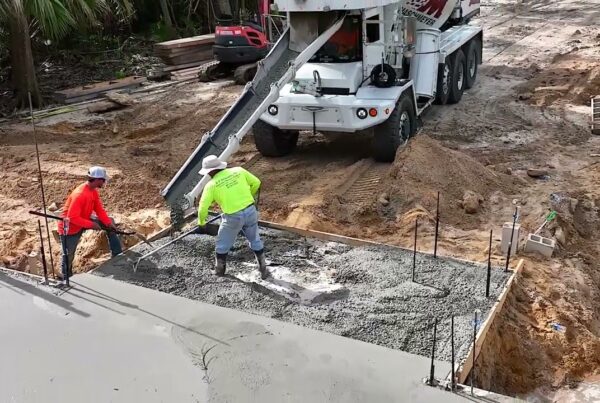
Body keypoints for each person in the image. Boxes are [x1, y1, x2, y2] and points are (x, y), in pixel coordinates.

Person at [196, 155, 268, 279]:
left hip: (233, 217)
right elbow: (256, 182)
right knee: (255, 239)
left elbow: (203, 208)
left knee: (222, 243)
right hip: (250, 211)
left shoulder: (211, 185)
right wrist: (248, 197)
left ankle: (219, 270)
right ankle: (263, 268)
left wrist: (201, 223)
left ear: (209, 172)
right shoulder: (239, 171)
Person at [58, 166, 122, 281]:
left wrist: (107, 223)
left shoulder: (93, 191)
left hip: (84, 218)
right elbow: (72, 218)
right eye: (103, 180)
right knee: (68, 255)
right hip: (70, 227)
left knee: (110, 224)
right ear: (97, 180)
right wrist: (91, 225)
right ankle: (66, 278)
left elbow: (99, 209)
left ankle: (117, 255)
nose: (104, 182)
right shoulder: (80, 195)